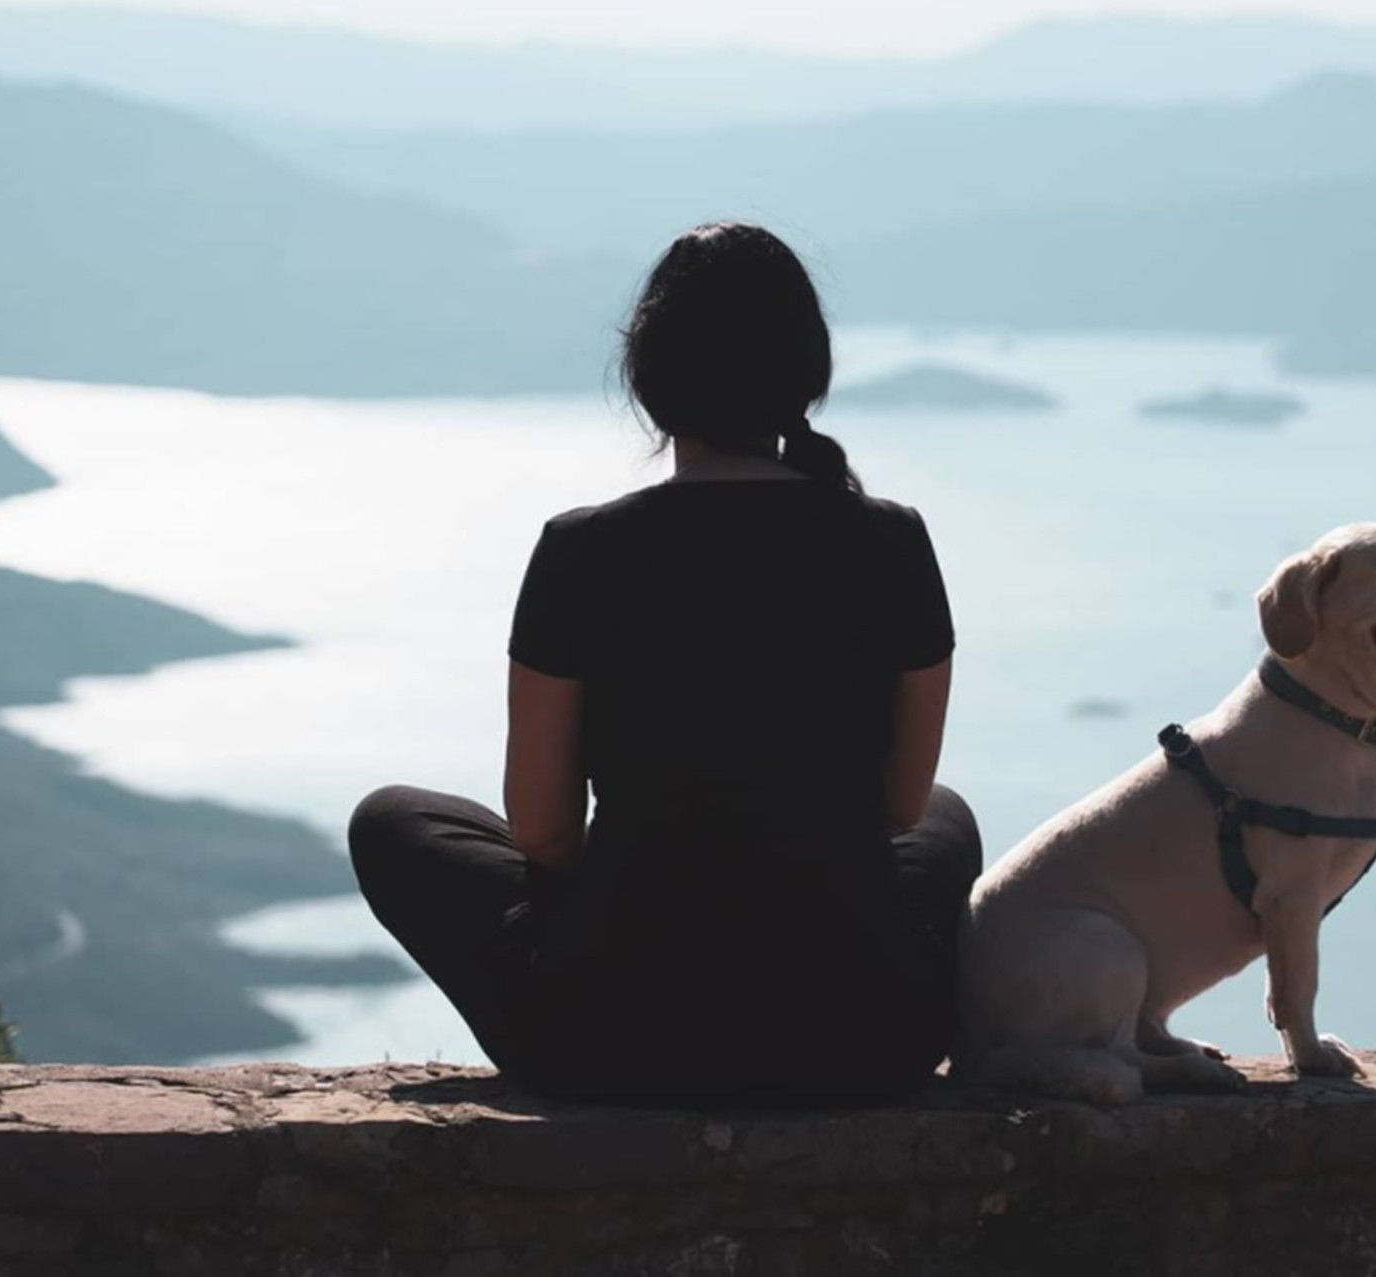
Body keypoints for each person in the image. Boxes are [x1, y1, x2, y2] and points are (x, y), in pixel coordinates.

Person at [347, 221, 981, 1105]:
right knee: (948, 820)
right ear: (808, 373)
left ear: (649, 377)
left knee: (392, 821)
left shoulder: (580, 550)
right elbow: (899, 807)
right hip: (863, 1038)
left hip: (613, 1039)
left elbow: (543, 833)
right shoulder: (894, 541)